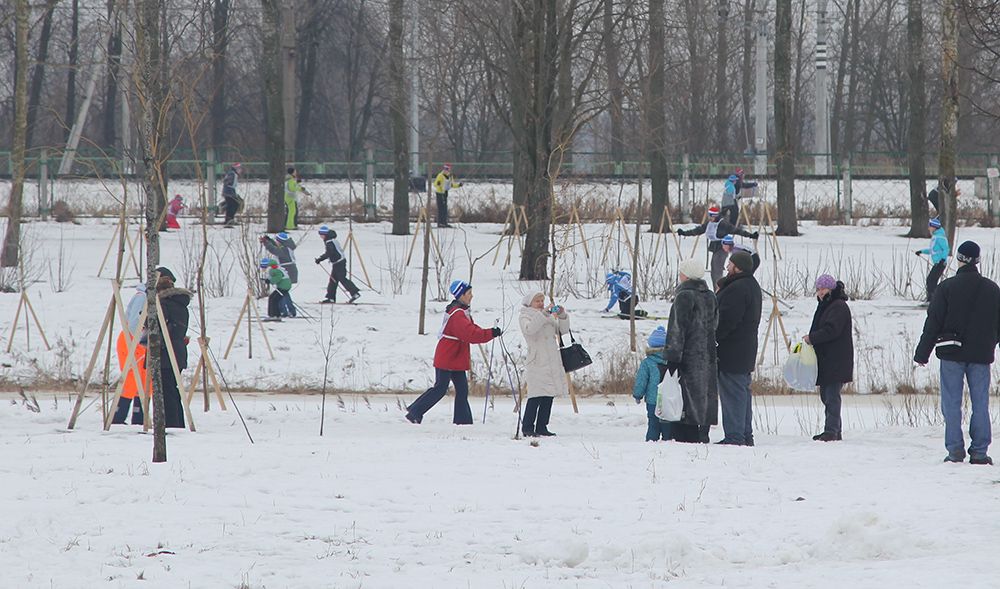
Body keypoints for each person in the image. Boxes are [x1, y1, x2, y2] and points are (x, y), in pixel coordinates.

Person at [914, 241, 1000, 465]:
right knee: (980, 403)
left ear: (960, 259)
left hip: (951, 353)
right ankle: (980, 452)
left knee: (951, 403)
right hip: (981, 355)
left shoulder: (946, 287)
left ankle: (955, 451)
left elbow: (933, 322)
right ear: (978, 261)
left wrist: (922, 353)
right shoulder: (993, 290)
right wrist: (990, 342)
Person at [406, 280, 500, 424]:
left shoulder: (461, 311)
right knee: (440, 389)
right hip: (448, 356)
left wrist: (489, 333)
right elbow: (470, 333)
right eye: (469, 293)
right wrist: (490, 333)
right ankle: (415, 411)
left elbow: (472, 330)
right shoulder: (457, 314)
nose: (472, 296)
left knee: (462, 389)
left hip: (454, 357)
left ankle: (462, 420)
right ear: (460, 295)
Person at [664, 258, 719, 443]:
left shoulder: (684, 296)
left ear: (685, 275)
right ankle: (702, 433)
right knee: (703, 396)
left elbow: (677, 329)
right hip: (708, 355)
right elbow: (715, 324)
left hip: (687, 356)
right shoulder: (710, 296)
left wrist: (672, 357)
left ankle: (684, 435)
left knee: (683, 398)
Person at [714, 251, 762, 446]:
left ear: (738, 267)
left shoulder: (737, 288)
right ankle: (745, 435)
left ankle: (735, 437)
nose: (727, 267)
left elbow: (727, 319)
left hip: (732, 350)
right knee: (742, 392)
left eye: (730, 264)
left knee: (733, 393)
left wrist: (714, 338)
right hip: (745, 349)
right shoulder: (751, 285)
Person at [804, 274, 853, 442]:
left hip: (836, 359)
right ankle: (834, 430)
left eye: (822, 289)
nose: (819, 292)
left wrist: (813, 338)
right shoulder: (826, 305)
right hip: (827, 359)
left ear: (830, 289)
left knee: (831, 396)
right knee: (826, 395)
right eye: (817, 289)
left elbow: (831, 330)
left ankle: (831, 430)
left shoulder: (837, 306)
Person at [518, 291, 571, 437]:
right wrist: (544, 314)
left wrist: (562, 315)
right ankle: (527, 427)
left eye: (542, 300)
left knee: (549, 395)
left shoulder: (547, 316)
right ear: (530, 303)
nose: (541, 303)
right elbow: (530, 330)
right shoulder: (525, 316)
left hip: (552, 359)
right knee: (535, 395)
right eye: (537, 301)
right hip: (537, 360)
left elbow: (562, 331)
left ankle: (542, 426)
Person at [676, 206, 758, 288]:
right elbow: (697, 231)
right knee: (714, 270)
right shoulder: (709, 224)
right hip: (715, 248)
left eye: (712, 216)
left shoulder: (723, 224)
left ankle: (719, 289)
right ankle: (717, 289)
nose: (710, 218)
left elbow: (736, 230)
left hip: (723, 247)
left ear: (716, 216)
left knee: (717, 270)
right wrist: (684, 233)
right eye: (709, 215)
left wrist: (750, 235)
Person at [154, 267, 191, 429]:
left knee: (165, 389)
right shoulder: (180, 303)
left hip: (166, 351)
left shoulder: (163, 304)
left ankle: (170, 424)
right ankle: (177, 422)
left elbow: (158, 327)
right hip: (178, 350)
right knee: (172, 389)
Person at [111, 284, 147, 425]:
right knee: (131, 378)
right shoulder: (141, 297)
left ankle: (138, 418)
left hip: (142, 342)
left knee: (144, 380)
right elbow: (133, 324)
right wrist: (140, 339)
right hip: (131, 339)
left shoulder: (150, 297)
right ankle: (118, 417)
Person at [632, 325, 672, 442]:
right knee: (667, 425)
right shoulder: (672, 361)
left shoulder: (647, 363)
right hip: (669, 401)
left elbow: (641, 381)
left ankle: (651, 442)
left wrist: (638, 395)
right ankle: (668, 441)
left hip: (652, 401)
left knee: (653, 425)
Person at [315, 225, 361, 303]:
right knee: (333, 281)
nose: (320, 237)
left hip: (339, 263)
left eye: (321, 235)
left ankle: (355, 293)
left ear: (324, 235)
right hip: (338, 262)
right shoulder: (331, 240)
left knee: (342, 279)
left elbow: (329, 252)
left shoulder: (329, 242)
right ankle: (331, 298)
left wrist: (320, 259)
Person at [916, 218, 948, 302]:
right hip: (937, 263)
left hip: (940, 263)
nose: (928, 228)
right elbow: (933, 250)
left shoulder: (940, 237)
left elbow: (946, 249)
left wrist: (942, 260)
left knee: (931, 280)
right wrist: (922, 251)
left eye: (929, 226)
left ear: (934, 227)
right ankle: (932, 299)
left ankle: (933, 300)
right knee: (931, 280)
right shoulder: (936, 236)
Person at [433, 163, 462, 227]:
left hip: (445, 193)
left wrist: (458, 185)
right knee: (441, 208)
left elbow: (452, 185)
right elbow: (435, 184)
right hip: (440, 193)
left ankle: (444, 222)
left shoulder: (450, 176)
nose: (446, 170)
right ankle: (440, 223)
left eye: (447, 169)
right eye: (445, 169)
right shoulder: (440, 175)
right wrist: (438, 184)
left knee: (445, 208)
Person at [222, 162, 243, 227]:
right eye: (239, 168)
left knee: (232, 205)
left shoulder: (232, 173)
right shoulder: (232, 174)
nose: (240, 170)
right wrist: (230, 188)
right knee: (233, 205)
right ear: (236, 168)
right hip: (229, 192)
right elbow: (227, 182)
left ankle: (229, 219)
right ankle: (229, 219)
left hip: (229, 191)